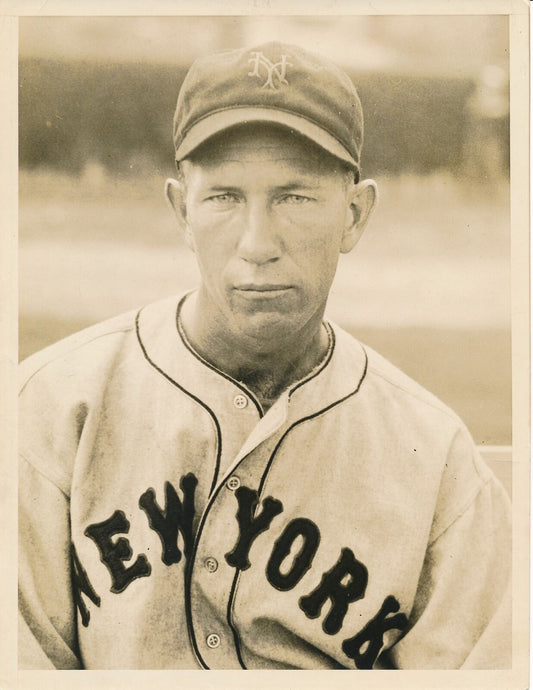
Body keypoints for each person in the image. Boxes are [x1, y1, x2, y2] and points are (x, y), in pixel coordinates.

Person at [19, 41, 511, 671]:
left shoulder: (436, 457)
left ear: (355, 215)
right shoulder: (50, 409)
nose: (257, 244)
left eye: (295, 198)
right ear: (181, 211)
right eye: (224, 197)